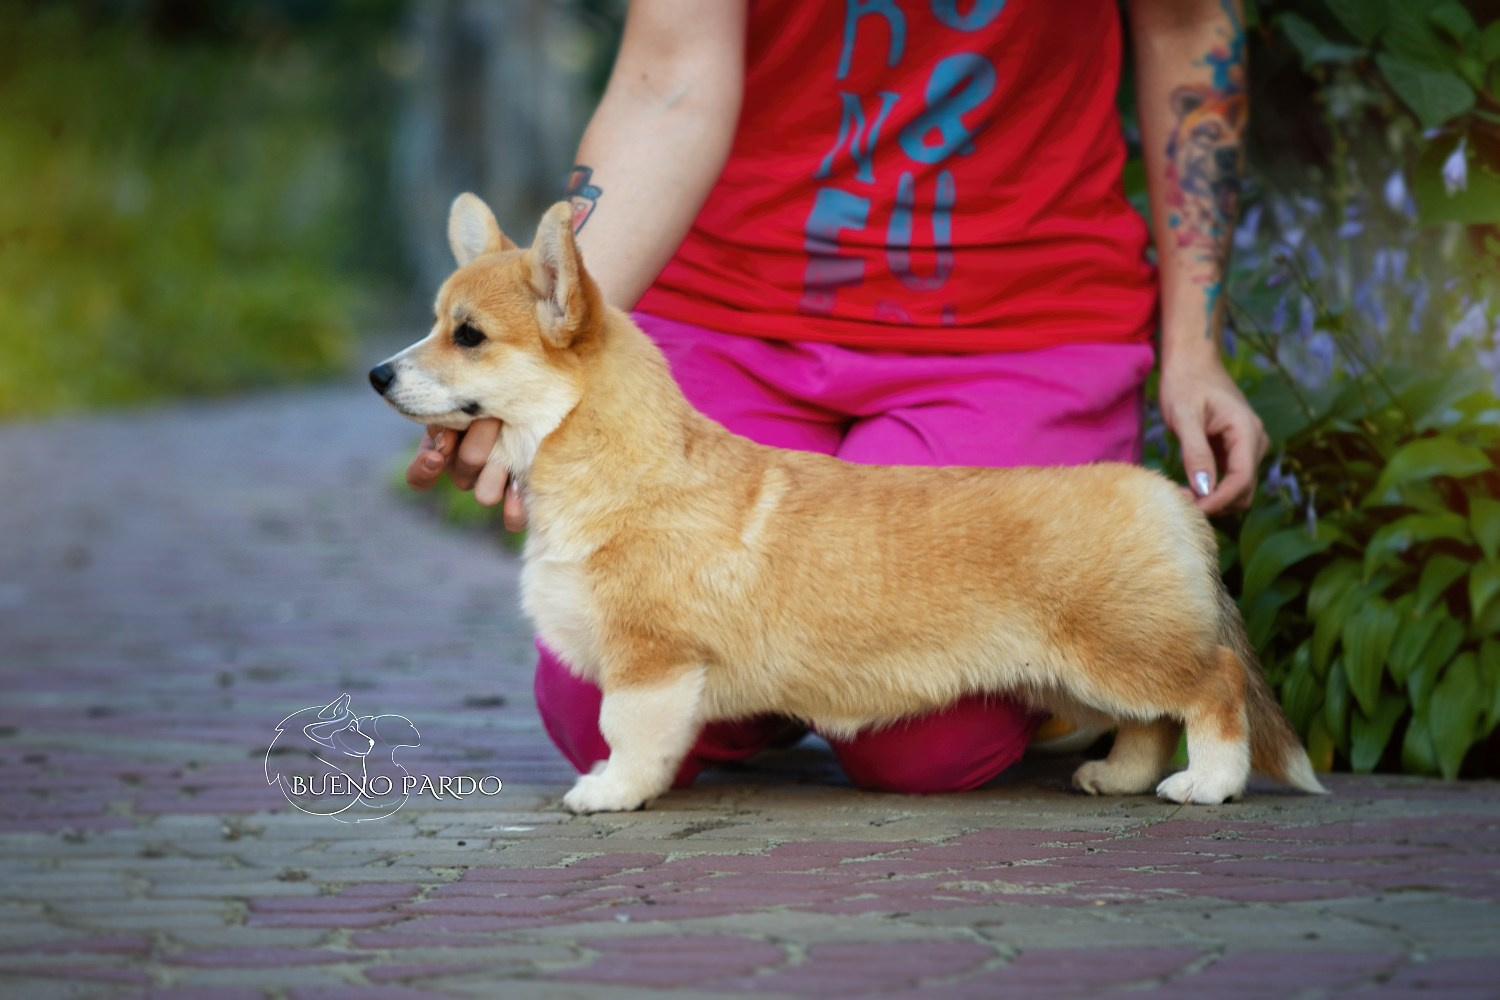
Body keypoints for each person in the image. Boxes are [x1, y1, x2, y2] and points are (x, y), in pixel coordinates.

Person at [406, 0, 1268, 793]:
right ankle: (776, 682)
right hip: (729, 304)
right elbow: (667, 79)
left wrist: (1193, 350)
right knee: (605, 693)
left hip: (1016, 317)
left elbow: (1184, 26)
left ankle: (844, 682)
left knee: (927, 743)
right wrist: (555, 355)